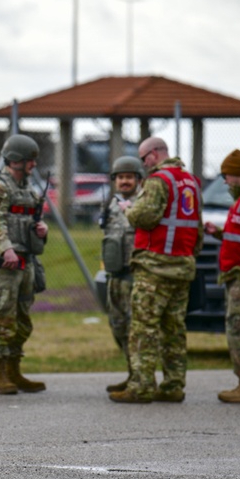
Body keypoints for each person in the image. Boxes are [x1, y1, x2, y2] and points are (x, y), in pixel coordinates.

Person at [110, 137, 202, 404]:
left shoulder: (158, 181)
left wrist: (129, 210)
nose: (143, 164)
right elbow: (196, 227)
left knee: (143, 328)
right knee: (174, 328)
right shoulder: (191, 182)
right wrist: (188, 258)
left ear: (153, 155)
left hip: (155, 267)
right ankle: (174, 385)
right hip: (182, 266)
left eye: (142, 158)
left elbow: (146, 217)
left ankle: (141, 386)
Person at [0, 134, 49, 395]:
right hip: (5, 264)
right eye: (30, 160)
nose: (33, 164)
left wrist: (42, 229)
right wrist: (6, 249)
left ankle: (15, 371)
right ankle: (1, 377)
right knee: (2, 320)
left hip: (26, 260)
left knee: (22, 320)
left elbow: (27, 219)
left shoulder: (27, 188)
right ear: (17, 160)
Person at [204, 149, 240, 403]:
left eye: (227, 175)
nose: (224, 181)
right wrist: (218, 232)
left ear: (237, 174)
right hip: (238, 274)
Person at [100, 155, 146, 392]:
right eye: (120, 178)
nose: (124, 182)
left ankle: (140, 377)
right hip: (114, 275)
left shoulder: (143, 204)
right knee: (117, 325)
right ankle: (131, 373)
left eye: (129, 177)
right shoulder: (111, 203)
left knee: (134, 328)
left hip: (134, 274)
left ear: (138, 179)